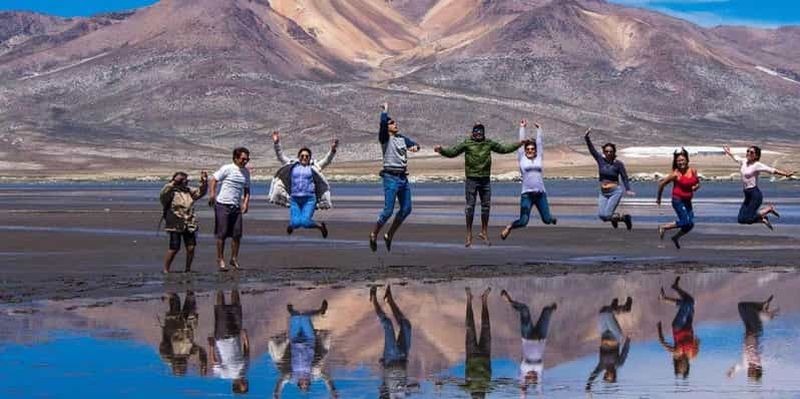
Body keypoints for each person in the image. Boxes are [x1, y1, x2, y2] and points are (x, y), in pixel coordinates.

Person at [435, 123, 522, 247]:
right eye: (476, 131)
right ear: (472, 133)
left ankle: (484, 232)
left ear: (484, 133)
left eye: (481, 132)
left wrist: (519, 144)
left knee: (486, 206)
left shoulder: (488, 143)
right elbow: (453, 152)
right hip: (472, 179)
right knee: (470, 207)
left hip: (485, 180)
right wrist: (441, 150)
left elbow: (504, 149)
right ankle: (469, 235)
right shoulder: (467, 143)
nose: (479, 134)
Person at [370, 102, 420, 252]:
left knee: (406, 208)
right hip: (390, 178)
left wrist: (415, 147)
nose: (395, 124)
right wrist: (385, 112)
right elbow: (382, 124)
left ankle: (389, 235)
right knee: (388, 210)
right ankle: (374, 234)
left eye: (395, 122)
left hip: (403, 178)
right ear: (387, 127)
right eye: (392, 123)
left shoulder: (401, 139)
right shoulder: (385, 138)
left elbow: (415, 145)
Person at [269, 131, 338, 238]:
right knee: (296, 223)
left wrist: (332, 150)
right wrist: (276, 143)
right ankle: (292, 225)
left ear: (310, 157)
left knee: (305, 222)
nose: (304, 158)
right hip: (295, 199)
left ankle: (320, 227)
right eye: (302, 156)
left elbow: (326, 161)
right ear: (298, 156)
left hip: (309, 199)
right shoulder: (292, 166)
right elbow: (280, 156)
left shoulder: (314, 167)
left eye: (307, 156)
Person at [501, 120, 557, 240]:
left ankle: (552, 218)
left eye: (532, 149)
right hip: (527, 195)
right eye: (528, 149)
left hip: (540, 194)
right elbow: (521, 144)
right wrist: (522, 127)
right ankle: (510, 227)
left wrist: (539, 129)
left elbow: (540, 143)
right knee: (523, 221)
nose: (530, 151)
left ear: (535, 150)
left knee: (547, 220)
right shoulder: (522, 158)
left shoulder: (539, 158)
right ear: (525, 150)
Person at [270, 299, 336, 398]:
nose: (304, 383)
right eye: (306, 385)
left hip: (294, 340)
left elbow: (281, 381)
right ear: (309, 383)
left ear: (299, 384)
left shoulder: (292, 377)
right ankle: (320, 311)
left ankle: (293, 312)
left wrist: (276, 394)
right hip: (309, 340)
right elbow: (327, 378)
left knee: (296, 316)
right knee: (304, 317)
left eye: (302, 385)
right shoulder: (313, 375)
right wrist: (332, 390)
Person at [722, 145, 795, 230]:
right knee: (741, 219)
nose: (748, 153)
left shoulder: (757, 165)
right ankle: (763, 219)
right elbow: (736, 158)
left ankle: (768, 209)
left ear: (756, 156)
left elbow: (771, 170)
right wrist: (728, 152)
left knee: (748, 217)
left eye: (751, 152)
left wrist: (786, 174)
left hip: (755, 195)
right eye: (748, 151)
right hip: (747, 194)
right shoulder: (744, 161)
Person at [501, 290, 556, 395]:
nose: (533, 376)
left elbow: (522, 388)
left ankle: (509, 300)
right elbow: (539, 388)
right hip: (541, 336)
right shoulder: (539, 370)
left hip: (528, 336)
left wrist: (523, 393)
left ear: (526, 377)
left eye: (530, 378)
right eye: (534, 378)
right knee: (547, 311)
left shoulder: (524, 368)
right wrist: (539, 395)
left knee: (525, 309)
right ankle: (551, 308)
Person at [209, 147, 251, 271]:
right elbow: (214, 179)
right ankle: (220, 258)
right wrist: (212, 194)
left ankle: (233, 258)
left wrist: (246, 203)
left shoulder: (246, 172)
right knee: (221, 234)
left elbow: (247, 189)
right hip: (223, 205)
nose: (245, 161)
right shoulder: (227, 168)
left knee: (237, 234)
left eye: (247, 159)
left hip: (236, 207)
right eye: (243, 159)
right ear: (236, 158)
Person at [584, 128, 635, 230]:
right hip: (603, 192)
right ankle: (617, 218)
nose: (608, 153)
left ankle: (625, 218)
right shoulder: (600, 160)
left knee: (607, 215)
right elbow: (592, 150)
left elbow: (624, 177)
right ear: (604, 151)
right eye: (606, 151)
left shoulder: (618, 164)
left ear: (614, 152)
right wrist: (587, 138)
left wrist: (628, 189)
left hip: (615, 191)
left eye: (611, 151)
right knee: (602, 216)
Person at [159, 171, 208, 273]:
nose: (186, 182)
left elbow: (201, 192)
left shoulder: (188, 191)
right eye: (183, 180)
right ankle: (166, 269)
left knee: (191, 247)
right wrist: (173, 182)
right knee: (174, 248)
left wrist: (204, 182)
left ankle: (188, 268)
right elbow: (163, 193)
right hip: (175, 222)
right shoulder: (170, 191)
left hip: (189, 222)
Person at [371, 285, 412, 399]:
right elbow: (410, 388)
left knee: (387, 323)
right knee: (406, 326)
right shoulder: (402, 396)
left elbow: (382, 391)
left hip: (391, 358)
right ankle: (389, 299)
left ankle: (373, 298)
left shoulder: (388, 396)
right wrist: (411, 387)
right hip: (403, 357)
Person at [207, 289, 250, 394]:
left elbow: (214, 363)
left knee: (220, 308)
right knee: (236, 307)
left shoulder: (225, 375)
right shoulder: (245, 370)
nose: (246, 384)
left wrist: (211, 346)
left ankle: (220, 286)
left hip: (222, 337)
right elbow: (246, 353)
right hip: (235, 334)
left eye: (243, 386)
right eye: (246, 385)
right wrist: (245, 338)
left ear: (237, 385)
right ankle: (234, 283)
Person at [656, 149, 700, 249]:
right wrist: (658, 199)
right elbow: (661, 185)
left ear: (687, 160)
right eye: (678, 161)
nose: (681, 162)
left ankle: (676, 237)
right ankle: (663, 227)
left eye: (682, 160)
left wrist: (696, 187)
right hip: (678, 200)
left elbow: (697, 183)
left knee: (690, 224)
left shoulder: (693, 171)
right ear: (676, 162)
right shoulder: (675, 174)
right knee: (686, 221)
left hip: (688, 200)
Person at [657, 276, 700, 378]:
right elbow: (697, 341)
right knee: (691, 301)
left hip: (678, 327)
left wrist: (659, 328)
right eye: (684, 368)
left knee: (686, 304)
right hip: (688, 325)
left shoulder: (676, 353)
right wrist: (697, 343)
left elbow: (662, 342)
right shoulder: (693, 355)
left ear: (677, 365)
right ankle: (675, 287)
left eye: (680, 367)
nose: (682, 366)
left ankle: (664, 298)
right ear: (687, 367)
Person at [727, 295, 777, 382]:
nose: (749, 371)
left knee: (741, 306)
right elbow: (764, 360)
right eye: (751, 373)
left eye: (749, 373)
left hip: (748, 330)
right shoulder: (757, 361)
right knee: (747, 308)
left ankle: (762, 311)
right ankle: (763, 311)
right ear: (756, 370)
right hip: (756, 330)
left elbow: (739, 366)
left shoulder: (746, 364)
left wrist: (732, 372)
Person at [586, 296, 632, 391]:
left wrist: (589, 385)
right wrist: (628, 340)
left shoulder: (601, 366)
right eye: (610, 376)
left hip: (604, 333)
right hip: (615, 335)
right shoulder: (618, 364)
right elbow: (624, 353)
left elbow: (593, 374)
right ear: (614, 375)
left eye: (606, 376)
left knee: (602, 312)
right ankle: (620, 308)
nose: (607, 374)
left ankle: (619, 308)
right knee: (606, 314)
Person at [158, 291, 208, 376]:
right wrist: (203, 362)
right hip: (186, 326)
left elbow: (164, 343)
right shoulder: (188, 353)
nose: (180, 364)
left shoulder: (167, 355)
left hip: (174, 326)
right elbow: (200, 350)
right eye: (182, 366)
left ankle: (175, 287)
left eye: (179, 366)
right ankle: (187, 286)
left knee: (175, 300)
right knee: (189, 300)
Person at [461, 287, 492, 398]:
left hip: (471, 355)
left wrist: (440, 384)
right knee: (486, 326)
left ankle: (469, 299)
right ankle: (484, 300)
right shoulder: (487, 388)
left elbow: (457, 385)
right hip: (485, 354)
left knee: (470, 327)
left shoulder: (469, 388)